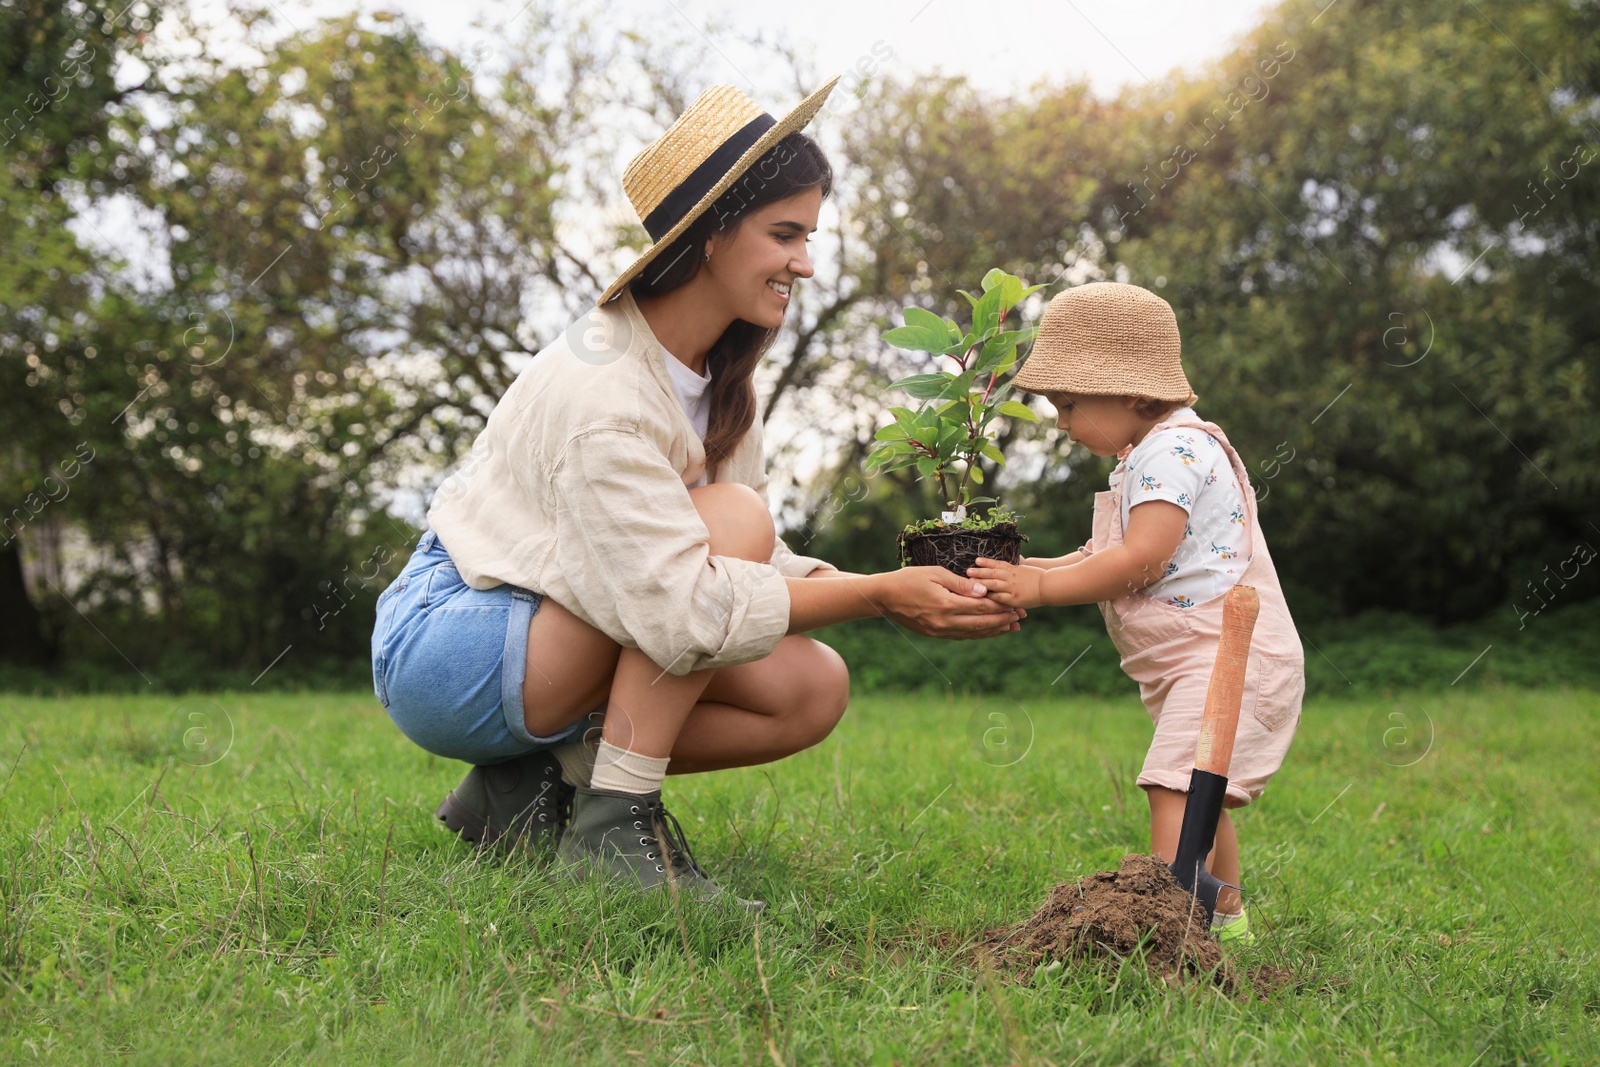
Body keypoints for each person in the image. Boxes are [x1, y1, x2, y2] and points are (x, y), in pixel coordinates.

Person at [370, 79, 1023, 911]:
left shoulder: (720, 381)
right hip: (453, 641)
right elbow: (681, 605)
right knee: (731, 523)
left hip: (553, 629)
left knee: (812, 687)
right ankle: (615, 822)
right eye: (784, 234)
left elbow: (751, 561)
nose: (806, 263)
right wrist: (878, 596)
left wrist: (902, 595)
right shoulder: (603, 387)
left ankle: (529, 790)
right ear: (712, 235)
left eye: (810, 235)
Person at [965, 282, 1304, 944]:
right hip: (1194, 659)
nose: (1060, 422)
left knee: (1171, 787)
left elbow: (1141, 558)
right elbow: (1098, 554)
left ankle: (1162, 931)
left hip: (1232, 656)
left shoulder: (1173, 453)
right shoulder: (1144, 457)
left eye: (1067, 404)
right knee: (1199, 793)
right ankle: (1226, 926)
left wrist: (1036, 591)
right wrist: (1029, 571)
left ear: (1129, 393)